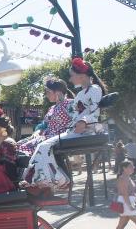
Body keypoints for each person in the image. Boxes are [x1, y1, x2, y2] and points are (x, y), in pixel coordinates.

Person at [23, 56, 105, 190]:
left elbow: (95, 112)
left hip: (85, 130)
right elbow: (74, 115)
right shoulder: (80, 95)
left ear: (82, 75)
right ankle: (42, 179)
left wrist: (84, 121)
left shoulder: (95, 89)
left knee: (43, 146)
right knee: (42, 147)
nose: (70, 79)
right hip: (73, 130)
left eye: (72, 76)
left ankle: (54, 180)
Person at [17, 76, 72, 155]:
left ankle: (33, 166)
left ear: (57, 92)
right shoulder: (52, 108)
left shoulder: (70, 104)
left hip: (58, 138)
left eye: (48, 92)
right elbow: (44, 124)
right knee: (17, 145)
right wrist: (38, 131)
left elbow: (76, 120)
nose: (46, 95)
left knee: (23, 148)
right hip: (45, 136)